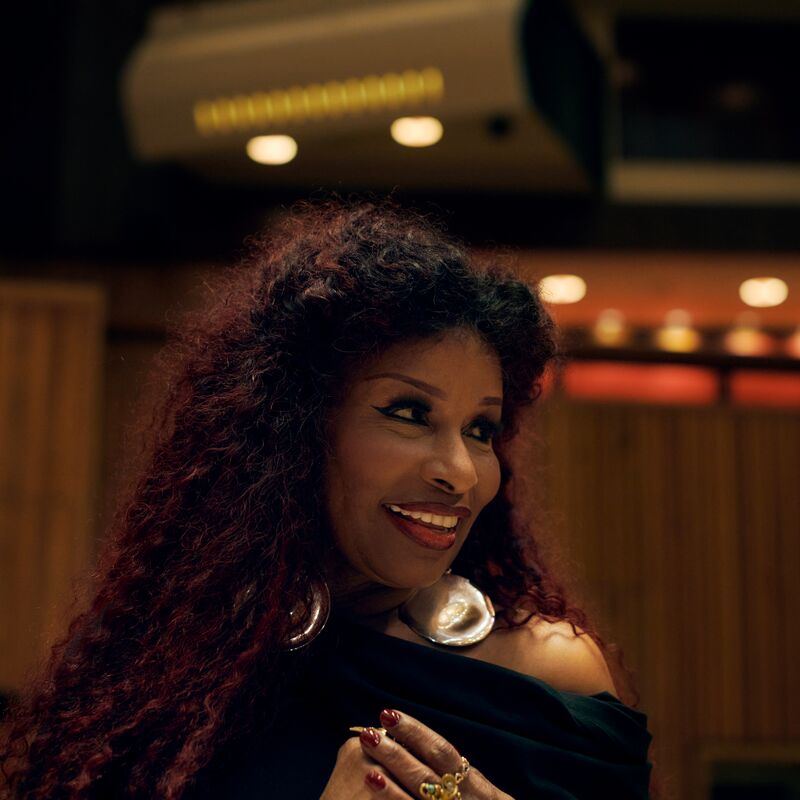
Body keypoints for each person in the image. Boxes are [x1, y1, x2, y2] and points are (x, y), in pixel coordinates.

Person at [0, 197, 656, 799]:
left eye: (480, 428)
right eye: (408, 412)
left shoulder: (550, 679)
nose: (460, 471)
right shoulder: (167, 681)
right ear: (298, 428)